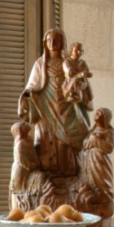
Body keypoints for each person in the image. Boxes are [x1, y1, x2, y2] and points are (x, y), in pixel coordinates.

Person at [18, 28, 90, 177]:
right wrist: (28, 94)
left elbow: (79, 81)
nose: (53, 43)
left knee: (71, 138)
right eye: (49, 40)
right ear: (45, 43)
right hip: (46, 106)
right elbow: (32, 84)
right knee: (46, 137)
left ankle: (70, 172)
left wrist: (79, 84)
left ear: (62, 42)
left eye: (56, 40)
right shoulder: (40, 64)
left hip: (66, 105)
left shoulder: (68, 62)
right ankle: (48, 173)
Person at [62, 42, 94, 109]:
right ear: (71, 51)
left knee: (87, 86)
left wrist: (87, 74)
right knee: (75, 81)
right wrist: (81, 74)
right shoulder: (67, 62)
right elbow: (70, 73)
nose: (79, 52)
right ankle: (74, 96)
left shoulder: (82, 62)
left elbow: (86, 71)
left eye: (81, 50)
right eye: (76, 50)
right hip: (70, 83)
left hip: (82, 82)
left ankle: (88, 101)